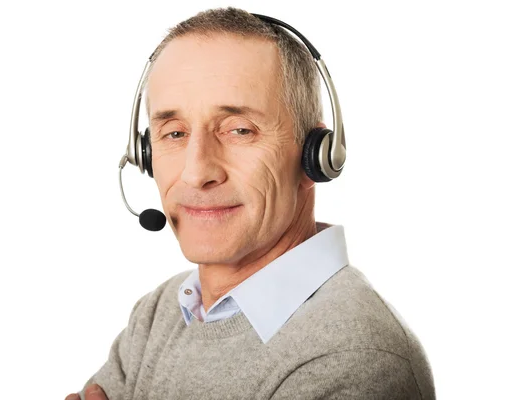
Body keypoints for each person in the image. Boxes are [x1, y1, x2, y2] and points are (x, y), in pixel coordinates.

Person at [66, 7, 435, 400]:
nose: (196, 172)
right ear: (144, 154)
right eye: (174, 133)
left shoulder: (356, 359)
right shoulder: (159, 313)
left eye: (240, 130)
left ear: (317, 157)